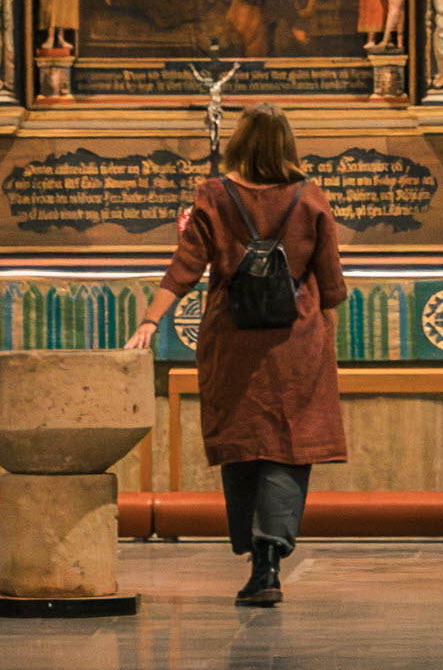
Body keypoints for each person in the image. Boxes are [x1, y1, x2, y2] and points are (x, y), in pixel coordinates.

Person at [125, 107, 350, 606]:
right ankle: (272, 554)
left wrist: (150, 320)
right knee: (288, 446)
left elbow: (184, 266)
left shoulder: (213, 196)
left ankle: (255, 558)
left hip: (232, 340)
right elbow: (331, 282)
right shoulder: (310, 197)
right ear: (287, 143)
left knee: (243, 440)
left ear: (239, 142)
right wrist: (323, 341)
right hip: (296, 340)